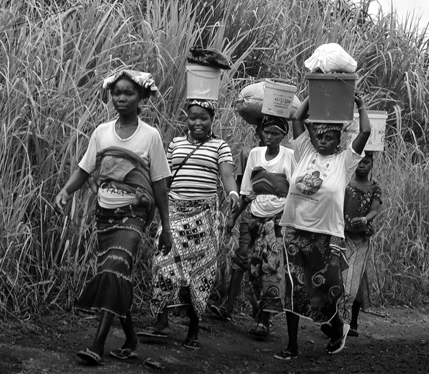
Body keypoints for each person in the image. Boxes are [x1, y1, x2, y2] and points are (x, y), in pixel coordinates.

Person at [53, 69, 173, 366]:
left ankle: (98, 342)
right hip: (105, 214)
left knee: (115, 268)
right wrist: (66, 191)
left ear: (141, 97)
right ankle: (130, 337)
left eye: (128, 93)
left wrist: (166, 227)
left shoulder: (150, 136)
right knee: (114, 274)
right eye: (116, 92)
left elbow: (159, 184)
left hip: (134, 214)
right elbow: (85, 169)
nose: (121, 98)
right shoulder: (102, 132)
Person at [139, 98, 241, 349]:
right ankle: (161, 322)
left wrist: (233, 194)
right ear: (187, 118)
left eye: (203, 118)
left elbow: (227, 175)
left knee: (200, 274)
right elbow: (165, 178)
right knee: (163, 264)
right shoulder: (175, 144)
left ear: (211, 120)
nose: (197, 122)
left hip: (204, 218)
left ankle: (193, 332)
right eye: (192, 117)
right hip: (174, 213)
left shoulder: (220, 146)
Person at [275, 93, 370, 360]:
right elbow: (297, 117)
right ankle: (292, 345)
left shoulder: (345, 161)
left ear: (339, 141)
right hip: (294, 229)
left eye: (329, 138)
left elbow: (365, 131)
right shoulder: (305, 150)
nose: (323, 141)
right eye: (319, 136)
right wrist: (315, 92)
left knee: (327, 287)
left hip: (326, 236)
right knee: (293, 287)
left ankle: (338, 327)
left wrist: (359, 105)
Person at [212, 115, 294, 339]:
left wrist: (284, 218)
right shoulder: (255, 155)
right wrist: (233, 216)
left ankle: (264, 320)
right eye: (266, 132)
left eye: (275, 133)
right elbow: (247, 191)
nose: (269, 137)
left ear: (283, 136)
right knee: (253, 269)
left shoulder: (289, 156)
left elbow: (293, 191)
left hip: (276, 221)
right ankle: (258, 309)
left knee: (270, 268)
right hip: (255, 217)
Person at [343, 150, 383, 337]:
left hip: (362, 239)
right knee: (342, 276)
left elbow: (374, 209)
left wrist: (365, 219)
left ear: (371, 164)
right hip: (343, 235)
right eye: (359, 161)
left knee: (356, 279)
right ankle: (338, 321)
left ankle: (351, 322)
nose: (361, 165)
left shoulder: (374, 188)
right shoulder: (344, 183)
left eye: (366, 162)